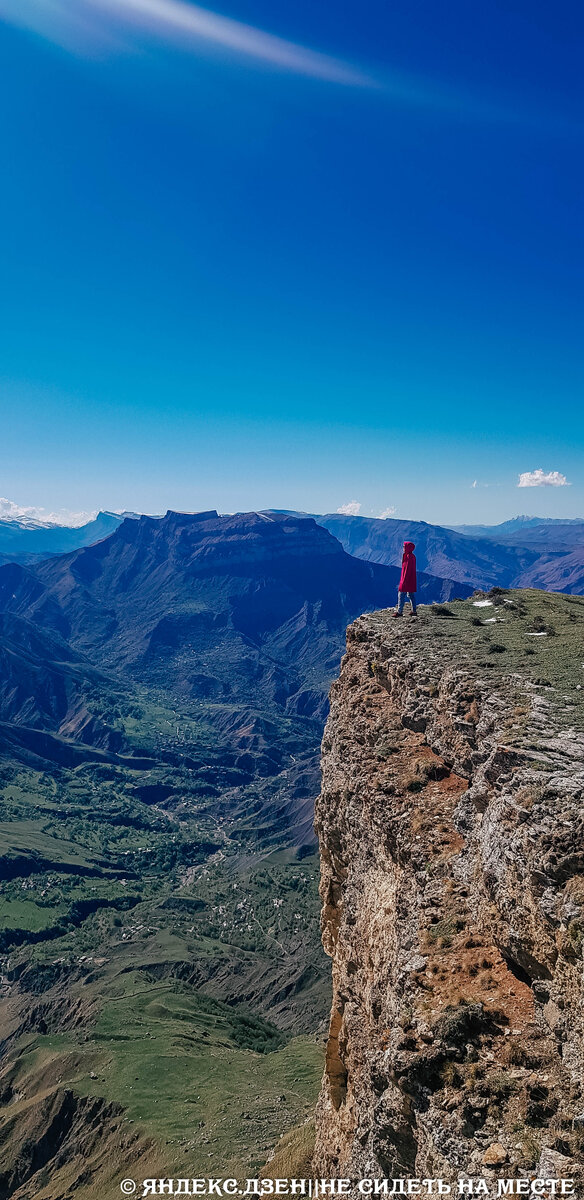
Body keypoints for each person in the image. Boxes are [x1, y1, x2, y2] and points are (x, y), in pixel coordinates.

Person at [395, 540, 417, 616]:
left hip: (406, 579)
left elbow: (407, 570)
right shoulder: (411, 556)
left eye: (404, 547)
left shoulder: (409, 557)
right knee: (411, 595)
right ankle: (414, 611)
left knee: (401, 594)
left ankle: (399, 612)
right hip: (411, 579)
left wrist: (404, 581)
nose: (403, 548)